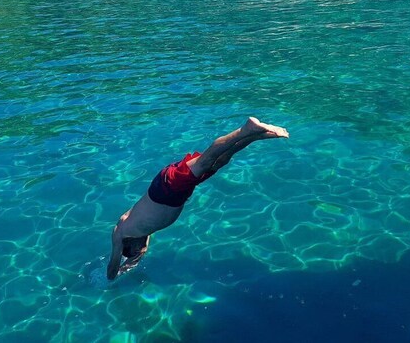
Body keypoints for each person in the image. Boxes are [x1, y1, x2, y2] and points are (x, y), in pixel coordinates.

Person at [106, 117, 289, 280]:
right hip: (175, 193)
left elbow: (113, 266)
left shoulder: (121, 232)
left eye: (137, 250)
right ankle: (256, 135)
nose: (142, 251)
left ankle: (246, 129)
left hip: (165, 191)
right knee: (221, 160)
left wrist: (113, 276)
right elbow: (139, 254)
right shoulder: (142, 233)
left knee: (207, 160)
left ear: (129, 245)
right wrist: (131, 263)